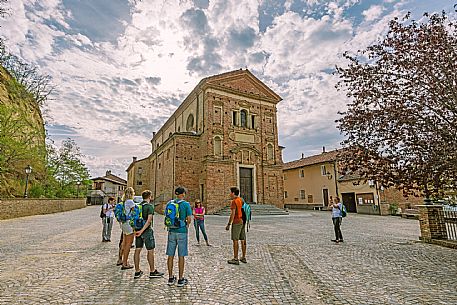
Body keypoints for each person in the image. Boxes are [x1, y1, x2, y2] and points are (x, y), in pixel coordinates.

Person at [133, 190, 164, 279]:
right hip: (146, 231)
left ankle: (137, 271)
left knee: (137, 250)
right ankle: (152, 271)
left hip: (138, 230)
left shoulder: (138, 206)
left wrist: (137, 230)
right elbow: (149, 220)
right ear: (149, 197)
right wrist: (142, 230)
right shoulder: (149, 207)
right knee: (150, 251)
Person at [166, 187, 192, 287]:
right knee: (181, 255)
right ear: (183, 194)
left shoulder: (170, 203)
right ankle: (181, 279)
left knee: (170, 255)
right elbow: (189, 219)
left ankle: (170, 278)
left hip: (171, 231)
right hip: (182, 232)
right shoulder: (186, 204)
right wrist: (185, 224)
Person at [225, 187, 247, 265]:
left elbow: (233, 213)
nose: (230, 194)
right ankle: (243, 257)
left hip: (237, 222)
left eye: (230, 192)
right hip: (242, 221)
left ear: (233, 193)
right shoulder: (241, 200)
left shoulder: (234, 201)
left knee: (235, 240)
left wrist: (229, 224)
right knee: (243, 239)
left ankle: (235, 258)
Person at [119, 187, 136, 269]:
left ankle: (121, 259)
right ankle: (125, 263)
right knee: (128, 244)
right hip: (129, 224)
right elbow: (134, 212)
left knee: (124, 242)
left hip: (124, 224)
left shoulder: (124, 202)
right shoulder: (130, 202)